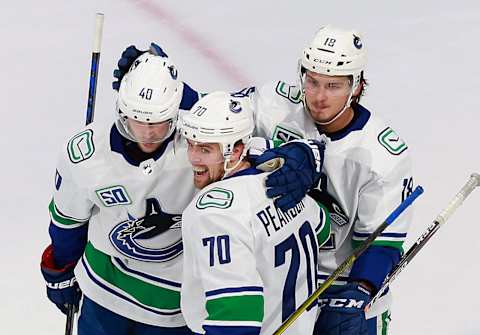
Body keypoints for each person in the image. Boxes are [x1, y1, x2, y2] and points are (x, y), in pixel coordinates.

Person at [113, 24, 414, 335]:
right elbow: (218, 121)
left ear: (357, 86)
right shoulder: (274, 103)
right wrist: (156, 85)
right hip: (277, 283)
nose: (319, 97)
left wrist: (361, 290)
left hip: (342, 292)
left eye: (333, 86)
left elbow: (383, 242)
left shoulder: (382, 156)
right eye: (312, 81)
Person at [41, 53, 323, 333]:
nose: (148, 133)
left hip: (173, 310)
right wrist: (59, 269)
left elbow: (248, 147)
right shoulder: (85, 154)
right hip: (104, 292)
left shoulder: (198, 142)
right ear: (122, 110)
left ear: (177, 111)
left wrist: (303, 155)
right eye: (138, 121)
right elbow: (69, 222)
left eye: (159, 122)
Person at [179, 91, 330, 334]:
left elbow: (236, 316)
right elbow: (323, 229)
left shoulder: (214, 213)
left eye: (206, 150)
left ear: (237, 151)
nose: (193, 158)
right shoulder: (284, 183)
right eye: (191, 144)